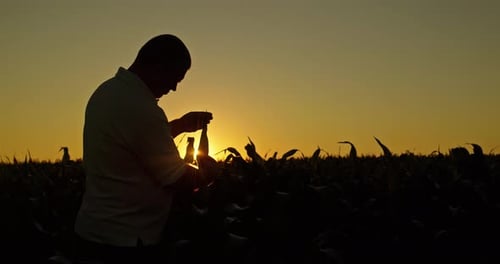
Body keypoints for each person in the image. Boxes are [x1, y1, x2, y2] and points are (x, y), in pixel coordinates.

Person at [73, 34, 216, 263]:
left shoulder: (107, 92)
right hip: (125, 244)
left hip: (92, 233)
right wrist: (209, 173)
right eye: (175, 78)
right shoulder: (142, 108)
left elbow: (133, 141)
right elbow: (177, 180)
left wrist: (179, 125)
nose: (174, 88)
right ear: (158, 65)